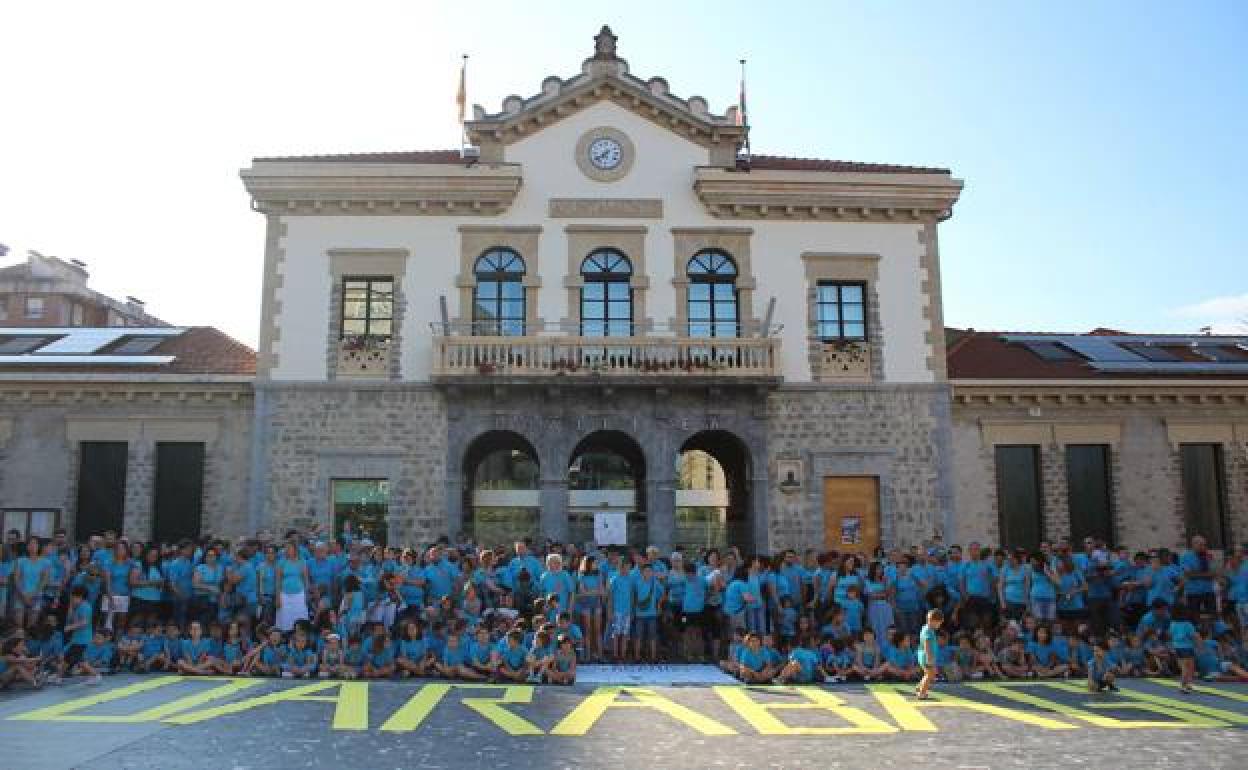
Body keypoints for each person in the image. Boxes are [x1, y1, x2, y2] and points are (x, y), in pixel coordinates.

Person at [276, 542, 310, 632]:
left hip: (299, 594)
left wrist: (307, 594)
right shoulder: (281, 562)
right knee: (285, 617)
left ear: (295, 550)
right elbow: (278, 580)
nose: (287, 550)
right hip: (284, 594)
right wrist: (278, 597)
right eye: (286, 548)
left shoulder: (302, 561)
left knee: (300, 615)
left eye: (290, 548)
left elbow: (306, 579)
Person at [915, 608, 943, 700]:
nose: (939, 625)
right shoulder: (928, 631)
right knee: (930, 675)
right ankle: (922, 693)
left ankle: (920, 687)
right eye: (939, 623)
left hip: (924, 655)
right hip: (926, 656)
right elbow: (927, 644)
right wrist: (929, 658)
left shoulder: (926, 628)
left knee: (929, 674)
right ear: (934, 621)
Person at [1169, 605, 1198, 694]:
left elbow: (1171, 634)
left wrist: (1172, 646)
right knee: (1188, 667)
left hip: (1177, 647)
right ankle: (1183, 685)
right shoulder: (1187, 624)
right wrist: (1199, 645)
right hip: (1187, 647)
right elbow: (1194, 636)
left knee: (1185, 666)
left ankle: (1188, 683)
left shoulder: (1173, 623)